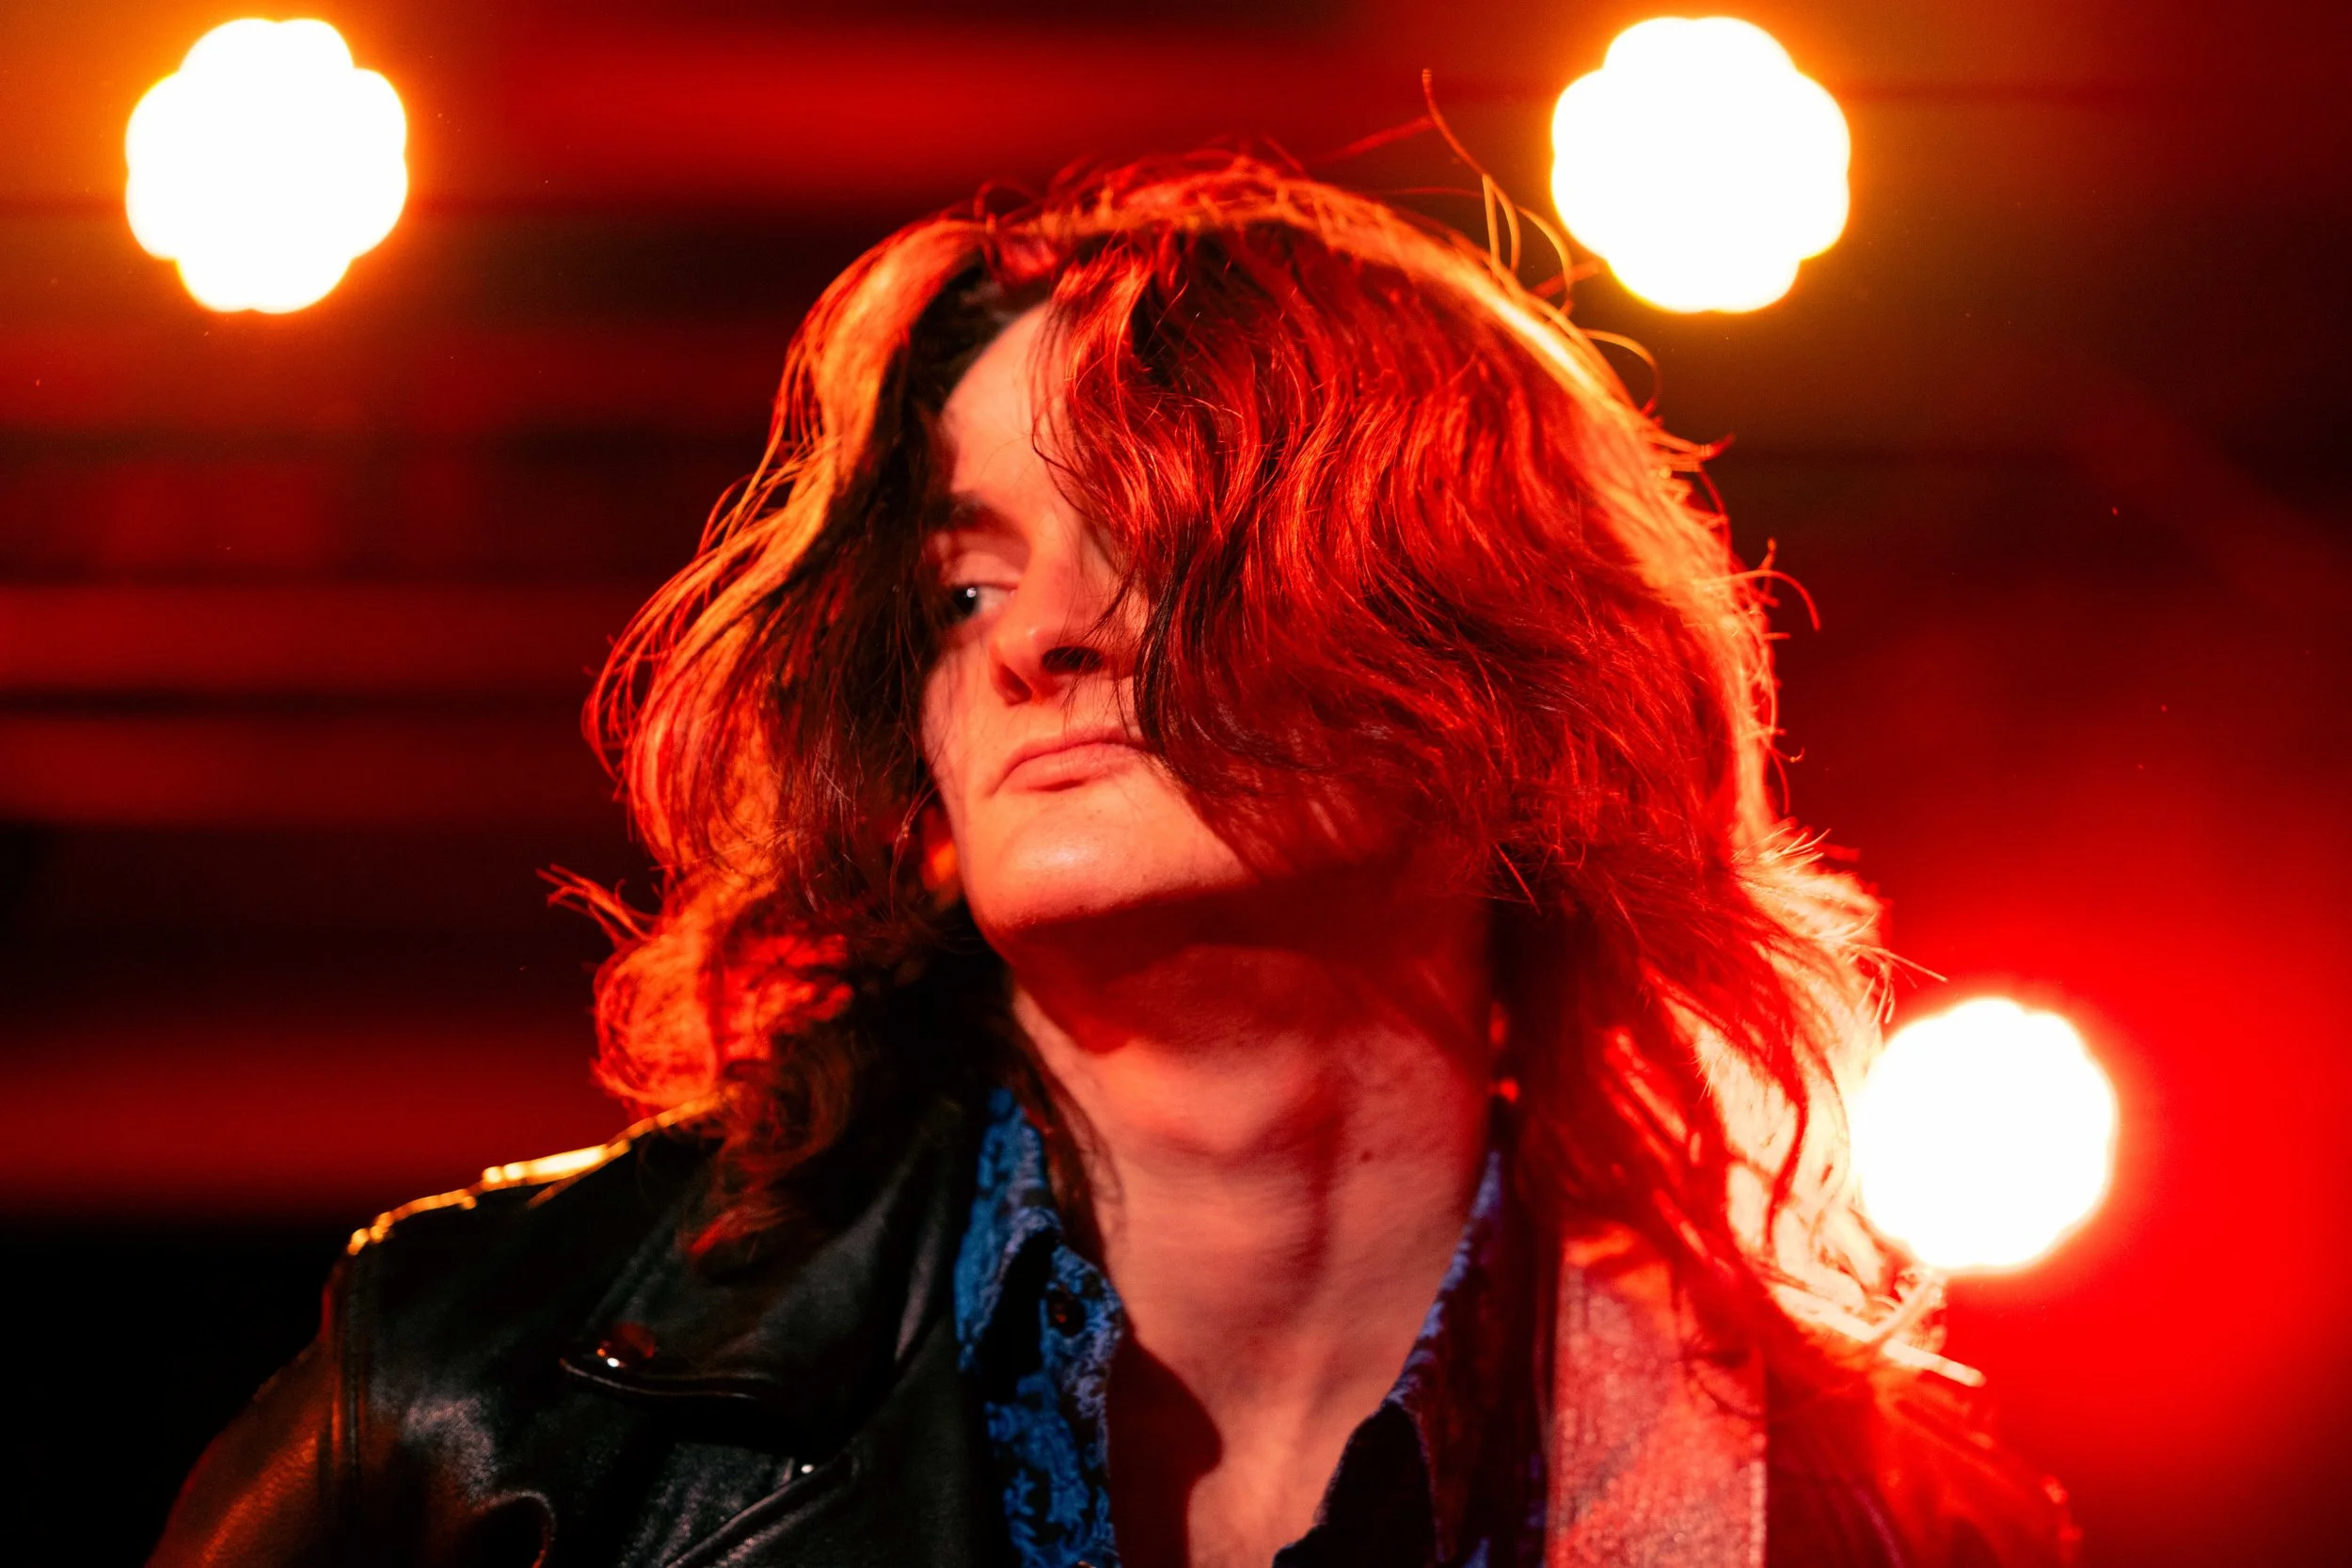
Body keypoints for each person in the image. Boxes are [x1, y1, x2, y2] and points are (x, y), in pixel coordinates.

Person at [151, 153, 2074, 1568]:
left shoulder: (1870, 1514)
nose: (1028, 638)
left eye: (1163, 541)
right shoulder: (473, 1399)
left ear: (1498, 663)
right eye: (965, 576)